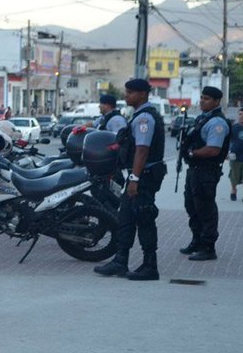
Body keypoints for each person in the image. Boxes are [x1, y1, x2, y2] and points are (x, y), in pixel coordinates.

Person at [94, 78, 166, 281]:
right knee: (125, 218)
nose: (126, 96)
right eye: (126, 92)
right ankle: (120, 261)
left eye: (130, 92)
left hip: (144, 177)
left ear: (142, 94)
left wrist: (134, 179)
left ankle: (150, 266)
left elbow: (142, 151)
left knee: (144, 218)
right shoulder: (138, 116)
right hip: (138, 176)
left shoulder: (145, 119)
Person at [180, 86, 231, 261]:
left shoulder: (217, 122)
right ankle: (197, 240)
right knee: (191, 205)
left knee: (205, 208)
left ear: (216, 102)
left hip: (206, 171)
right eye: (202, 97)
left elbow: (213, 150)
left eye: (207, 98)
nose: (202, 101)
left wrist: (192, 153)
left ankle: (208, 247)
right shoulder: (203, 118)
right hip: (195, 170)